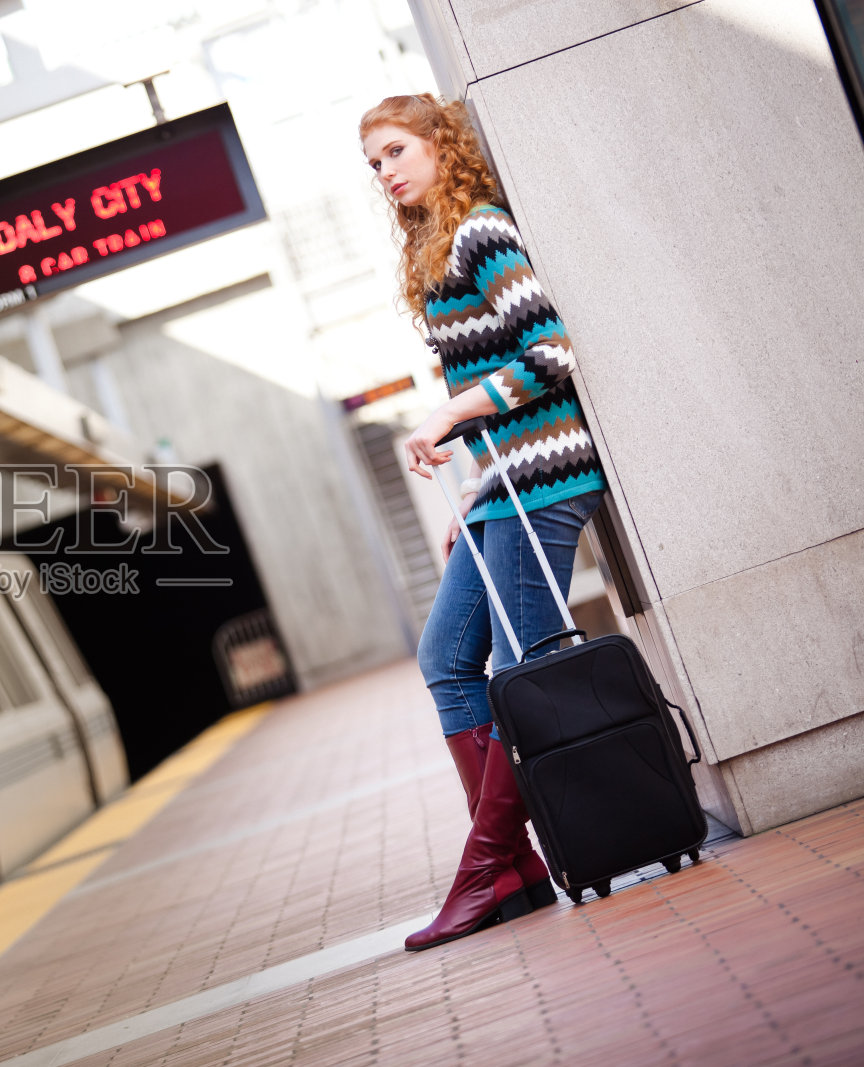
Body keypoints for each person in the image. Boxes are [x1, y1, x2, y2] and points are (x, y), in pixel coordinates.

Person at [358, 94, 608, 951]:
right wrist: (471, 498)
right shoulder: (437, 243)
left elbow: (549, 351)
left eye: (395, 151)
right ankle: (516, 867)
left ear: (440, 144)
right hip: (506, 487)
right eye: (375, 163)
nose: (386, 172)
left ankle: (487, 865)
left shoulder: (482, 231)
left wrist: (442, 420)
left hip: (547, 479)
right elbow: (498, 381)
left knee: (518, 669)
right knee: (445, 659)